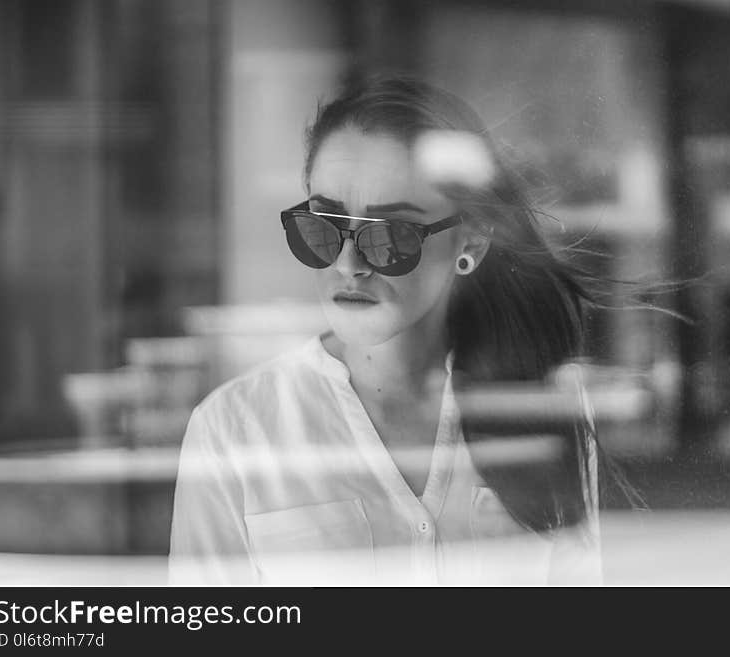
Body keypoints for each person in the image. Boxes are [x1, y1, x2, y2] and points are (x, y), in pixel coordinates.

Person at [168, 75, 602, 586]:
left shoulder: (537, 408)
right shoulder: (234, 431)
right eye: (323, 228)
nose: (349, 264)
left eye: (391, 236)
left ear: (473, 242)